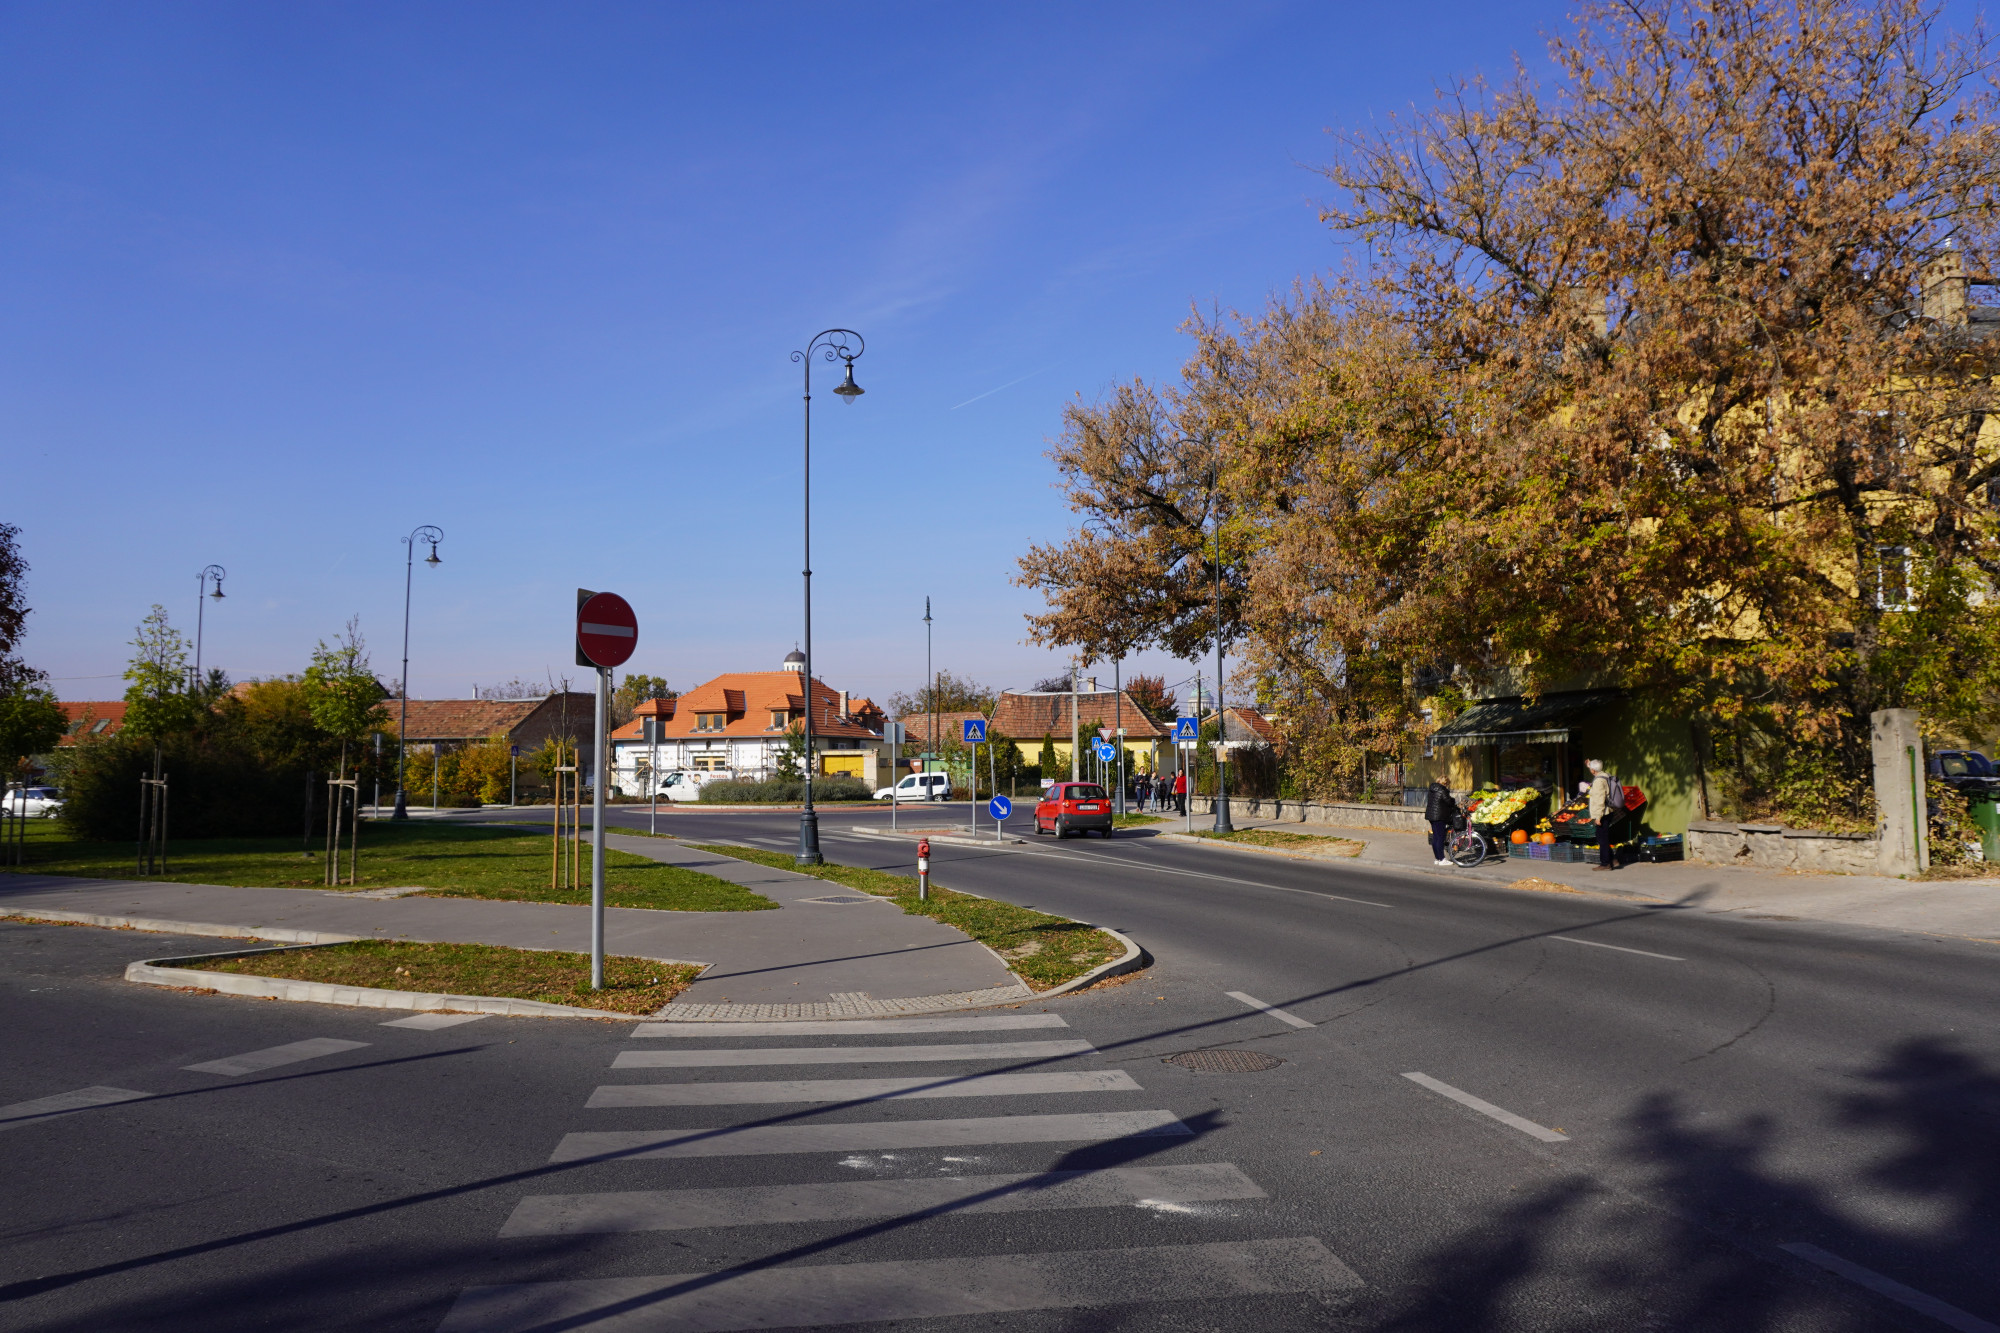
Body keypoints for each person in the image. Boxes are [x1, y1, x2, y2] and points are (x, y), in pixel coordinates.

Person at [1586, 758, 1622, 871]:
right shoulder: (1606, 775)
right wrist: (1590, 766)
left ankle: (1605, 863)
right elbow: (1597, 771)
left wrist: (1598, 817)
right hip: (1608, 811)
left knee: (1602, 839)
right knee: (1604, 837)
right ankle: (1612, 860)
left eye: (1591, 769)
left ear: (1593, 770)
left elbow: (1600, 800)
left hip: (1603, 813)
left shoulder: (1598, 782)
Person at [1423, 779, 1458, 866]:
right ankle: (1442, 859)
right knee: (1440, 838)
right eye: (1448, 784)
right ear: (1445, 783)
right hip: (1440, 816)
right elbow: (1448, 801)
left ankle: (1437, 858)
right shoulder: (1442, 789)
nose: (1447, 786)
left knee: (1435, 837)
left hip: (1431, 815)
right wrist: (1453, 800)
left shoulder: (1432, 789)